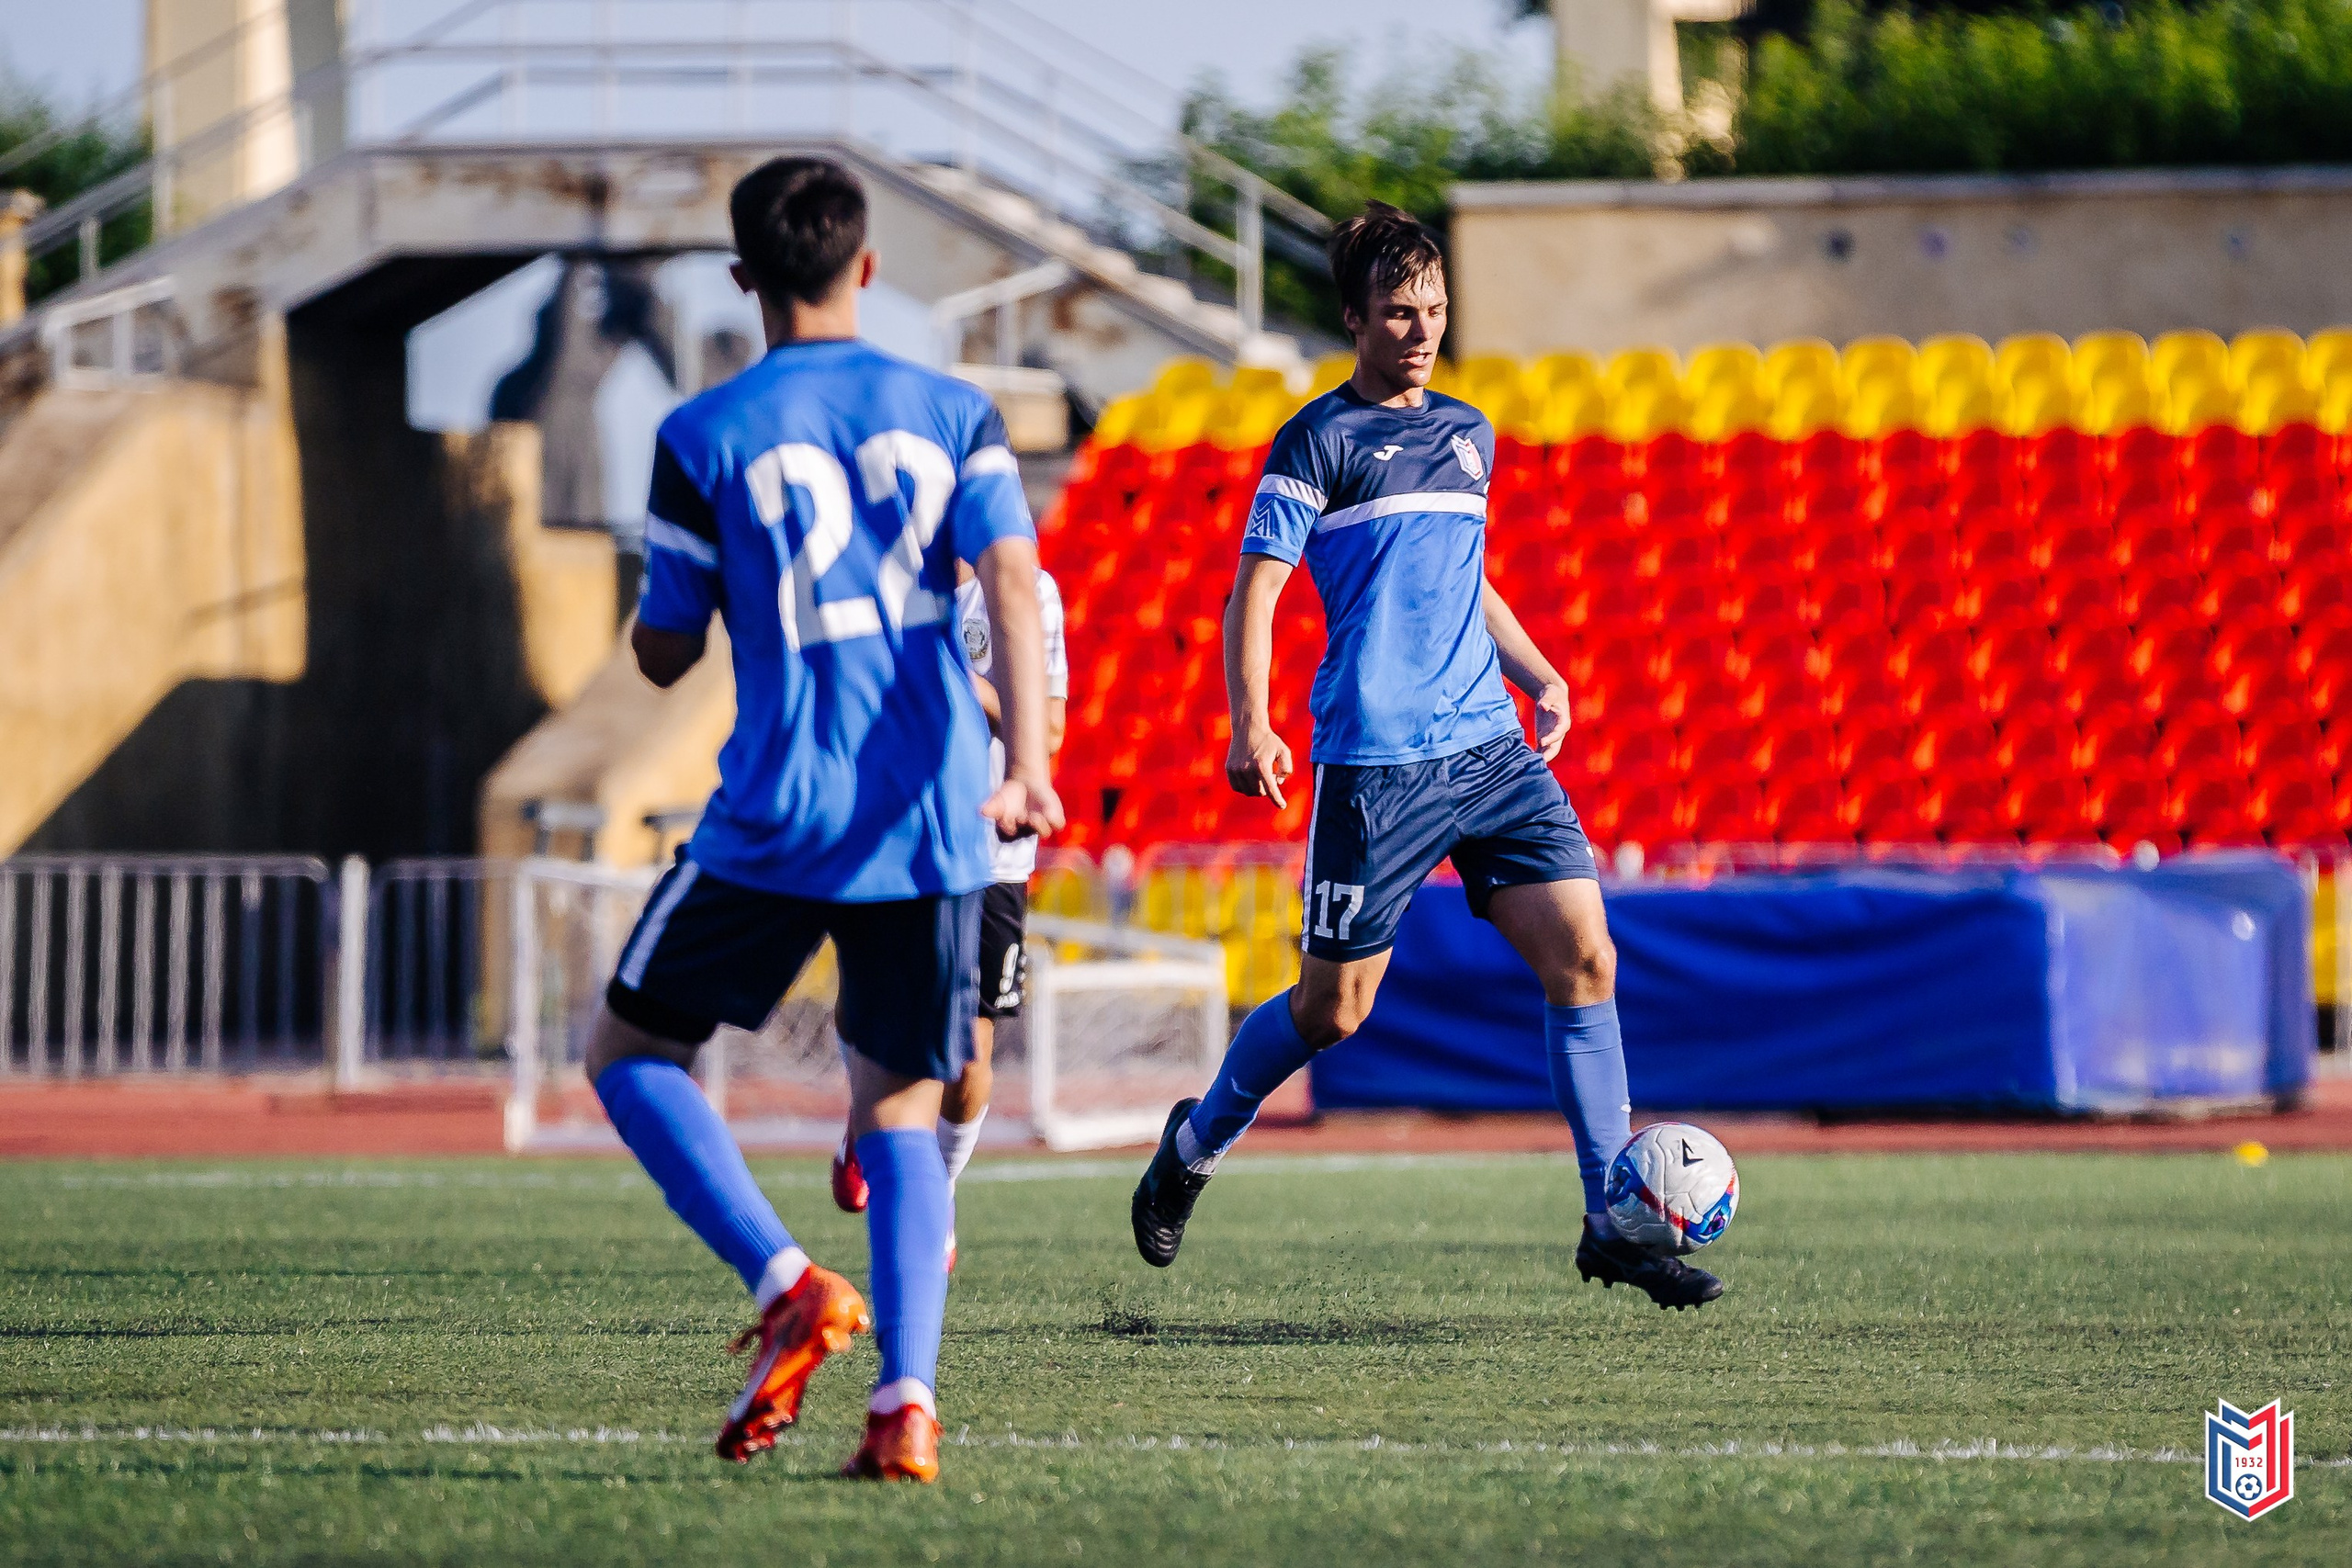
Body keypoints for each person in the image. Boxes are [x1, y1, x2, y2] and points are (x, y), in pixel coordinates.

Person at [1129, 201, 1722, 1311]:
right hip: (1378, 765)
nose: (1421, 331)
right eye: (1399, 313)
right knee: (1333, 1013)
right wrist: (1248, 722)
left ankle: (1610, 1218)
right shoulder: (1318, 441)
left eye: (1436, 311)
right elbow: (1254, 589)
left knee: (1584, 957)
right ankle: (1195, 1144)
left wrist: (1536, 669)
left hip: (1489, 751)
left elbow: (1463, 574)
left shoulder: (1467, 431)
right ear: (1353, 318)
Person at [585, 154, 1061, 1485]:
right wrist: (1025, 761)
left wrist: (670, 610)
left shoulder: (700, 435)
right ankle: (906, 1401)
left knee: (628, 1046)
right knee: (904, 1105)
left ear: (743, 277)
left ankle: (787, 1278)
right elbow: (1015, 585)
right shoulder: (953, 407)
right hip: (931, 806)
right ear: (868, 267)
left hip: (781, 810)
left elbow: (668, 648)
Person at [832, 559, 1069, 1274]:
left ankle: (937, 1192)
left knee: (968, 1060)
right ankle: (866, 1117)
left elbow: (1050, 730)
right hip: (893, 831)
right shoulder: (881, 572)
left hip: (990, 850)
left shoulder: (1030, 591)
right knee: (875, 1009)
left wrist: (961, 686)